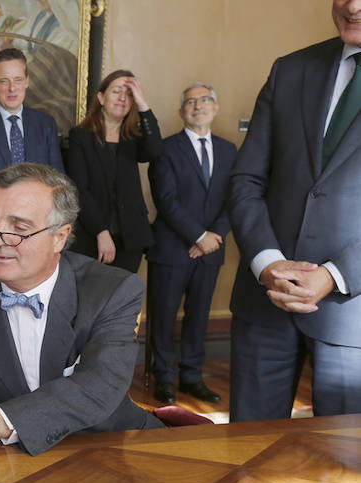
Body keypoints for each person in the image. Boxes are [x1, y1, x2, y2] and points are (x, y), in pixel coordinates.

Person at [0, 163, 163, 454]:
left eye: (18, 228)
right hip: (3, 452)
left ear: (59, 237)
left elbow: (98, 385)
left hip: (109, 443)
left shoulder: (114, 290)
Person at [227, 0, 361, 421]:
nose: (352, 5)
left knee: (343, 469)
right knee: (247, 459)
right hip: (266, 299)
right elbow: (246, 180)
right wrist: (268, 262)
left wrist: (334, 275)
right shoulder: (290, 69)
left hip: (352, 315)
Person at [147, 83, 236, 405]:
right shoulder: (165, 149)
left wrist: (213, 238)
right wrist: (199, 237)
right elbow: (166, 201)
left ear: (215, 106)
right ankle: (164, 380)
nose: (198, 106)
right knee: (164, 317)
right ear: (181, 111)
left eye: (205, 100)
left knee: (199, 316)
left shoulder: (229, 151)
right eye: (190, 102)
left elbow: (234, 200)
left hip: (210, 252)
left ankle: (192, 377)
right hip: (172, 249)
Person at [0, 48, 65, 261]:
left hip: (36, 236)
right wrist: (1, 226)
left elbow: (57, 181)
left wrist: (35, 225)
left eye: (17, 79)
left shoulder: (45, 124)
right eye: (4, 81)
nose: (12, 88)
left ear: (27, 81)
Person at [67, 69, 162, 274]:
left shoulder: (133, 138)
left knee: (122, 300)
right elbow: (79, 190)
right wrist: (101, 232)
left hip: (131, 237)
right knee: (91, 298)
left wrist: (143, 104)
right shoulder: (80, 137)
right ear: (101, 98)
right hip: (92, 235)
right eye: (116, 91)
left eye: (129, 94)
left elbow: (155, 150)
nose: (122, 98)